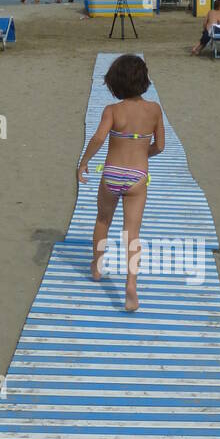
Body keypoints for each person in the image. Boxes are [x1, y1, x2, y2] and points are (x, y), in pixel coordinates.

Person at [77, 53, 165, 313]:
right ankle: (131, 286)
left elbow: (98, 138)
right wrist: (141, 153)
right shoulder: (154, 110)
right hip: (138, 177)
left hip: (111, 173)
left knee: (102, 220)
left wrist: (83, 163)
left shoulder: (112, 111)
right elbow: (160, 145)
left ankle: (97, 266)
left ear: (115, 83)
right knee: (132, 234)